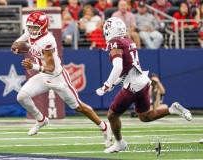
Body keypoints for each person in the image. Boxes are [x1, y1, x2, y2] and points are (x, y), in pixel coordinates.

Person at [12, 11, 112, 148]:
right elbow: (16, 44)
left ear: (43, 27)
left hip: (57, 77)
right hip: (43, 76)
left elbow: (51, 68)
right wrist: (18, 48)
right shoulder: (31, 32)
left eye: (34, 27)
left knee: (79, 107)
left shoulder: (47, 40)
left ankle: (104, 127)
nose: (31, 30)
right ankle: (41, 119)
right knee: (22, 96)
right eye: (30, 27)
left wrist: (33, 66)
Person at [96, 17, 192, 153]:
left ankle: (119, 143)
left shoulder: (115, 43)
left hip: (133, 86)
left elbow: (118, 67)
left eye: (106, 29)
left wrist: (106, 85)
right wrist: (114, 83)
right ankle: (172, 110)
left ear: (111, 30)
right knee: (145, 116)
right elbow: (128, 68)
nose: (105, 32)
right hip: (142, 82)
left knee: (112, 115)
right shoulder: (128, 41)